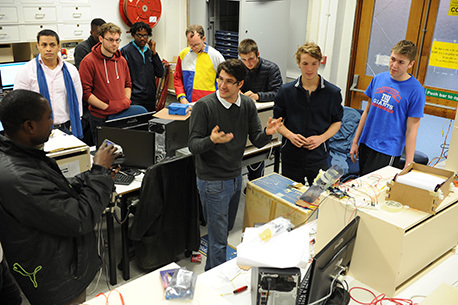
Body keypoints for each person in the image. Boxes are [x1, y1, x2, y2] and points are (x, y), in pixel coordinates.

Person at [0, 89, 119, 305]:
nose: (53, 123)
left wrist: (91, 175)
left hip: (56, 265)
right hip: (56, 280)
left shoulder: (22, 154)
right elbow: (79, 219)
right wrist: (100, 172)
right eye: (48, 117)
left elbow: (56, 192)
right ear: (29, 126)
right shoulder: (19, 178)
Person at [188, 59, 282, 271]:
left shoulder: (247, 105)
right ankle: (213, 282)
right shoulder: (204, 106)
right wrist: (211, 140)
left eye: (229, 81)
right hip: (212, 180)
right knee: (218, 239)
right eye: (220, 79)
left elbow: (257, 140)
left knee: (226, 230)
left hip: (234, 176)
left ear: (240, 84)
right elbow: (193, 146)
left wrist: (268, 133)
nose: (222, 85)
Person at [350, 40, 426, 176]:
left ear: (411, 64)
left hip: (388, 150)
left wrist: (409, 162)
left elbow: (412, 130)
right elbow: (367, 112)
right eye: (392, 59)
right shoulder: (378, 79)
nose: (394, 65)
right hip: (366, 143)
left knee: (375, 191)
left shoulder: (416, 91)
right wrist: (355, 141)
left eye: (401, 62)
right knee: (361, 186)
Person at [274, 42, 343, 186]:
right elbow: (277, 122)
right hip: (291, 157)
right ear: (298, 63)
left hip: (318, 156)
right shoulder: (285, 91)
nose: (309, 68)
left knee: (321, 197)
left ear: (319, 63)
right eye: (305, 63)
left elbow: (337, 122)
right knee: (290, 199)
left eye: (314, 63)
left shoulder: (333, 93)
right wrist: (290, 136)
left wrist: (321, 138)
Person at [14, 29, 83, 138]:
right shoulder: (26, 71)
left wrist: (76, 123)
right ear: (38, 46)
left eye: (52, 45)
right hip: (37, 130)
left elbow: (78, 98)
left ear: (58, 46)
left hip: (66, 128)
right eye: (44, 45)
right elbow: (19, 104)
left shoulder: (71, 70)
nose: (48, 49)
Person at [79, 22, 137, 143]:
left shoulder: (121, 61)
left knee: (123, 151)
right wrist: (106, 107)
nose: (115, 44)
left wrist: (126, 101)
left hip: (122, 114)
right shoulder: (88, 61)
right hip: (101, 118)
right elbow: (86, 93)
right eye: (110, 40)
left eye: (117, 40)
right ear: (101, 39)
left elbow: (128, 84)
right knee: (104, 155)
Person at [238, 38, 283, 182]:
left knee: (257, 156)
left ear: (258, 54)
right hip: (242, 115)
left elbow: (278, 93)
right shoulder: (240, 68)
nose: (248, 63)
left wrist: (258, 96)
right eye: (244, 59)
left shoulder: (271, 68)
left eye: (251, 59)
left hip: (263, 116)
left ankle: (254, 184)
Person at [174, 24, 225, 104]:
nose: (194, 48)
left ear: (203, 39)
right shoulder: (183, 55)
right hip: (189, 104)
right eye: (191, 45)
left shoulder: (216, 56)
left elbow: (224, 80)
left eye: (196, 45)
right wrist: (182, 98)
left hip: (211, 104)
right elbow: (177, 78)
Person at [121, 21, 164, 112]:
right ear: (133, 35)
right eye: (139, 35)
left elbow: (160, 73)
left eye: (145, 35)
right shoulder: (125, 52)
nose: (142, 39)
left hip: (150, 98)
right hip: (135, 99)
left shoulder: (149, 52)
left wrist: (154, 52)